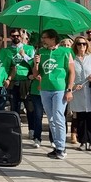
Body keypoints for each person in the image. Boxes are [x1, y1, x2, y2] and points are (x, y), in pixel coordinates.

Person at [35, 29, 75, 160]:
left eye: (45, 37)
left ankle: (62, 147)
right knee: (51, 119)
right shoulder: (41, 52)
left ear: (53, 38)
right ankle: (57, 145)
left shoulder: (66, 51)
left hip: (59, 89)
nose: (43, 40)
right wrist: (36, 64)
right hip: (45, 89)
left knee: (58, 117)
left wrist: (69, 89)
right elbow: (36, 74)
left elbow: (71, 72)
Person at [70, 36, 91, 151]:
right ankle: (82, 141)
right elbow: (69, 75)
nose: (82, 46)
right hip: (78, 93)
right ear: (76, 45)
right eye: (79, 44)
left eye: (84, 44)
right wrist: (74, 85)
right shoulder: (72, 60)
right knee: (80, 118)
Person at [5, 29, 32, 115]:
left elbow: (34, 64)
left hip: (25, 80)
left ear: (21, 37)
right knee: (14, 106)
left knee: (29, 107)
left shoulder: (29, 48)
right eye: (13, 36)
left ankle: (32, 128)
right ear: (10, 37)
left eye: (18, 36)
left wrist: (24, 55)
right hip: (13, 81)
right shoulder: (6, 50)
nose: (16, 37)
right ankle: (15, 126)